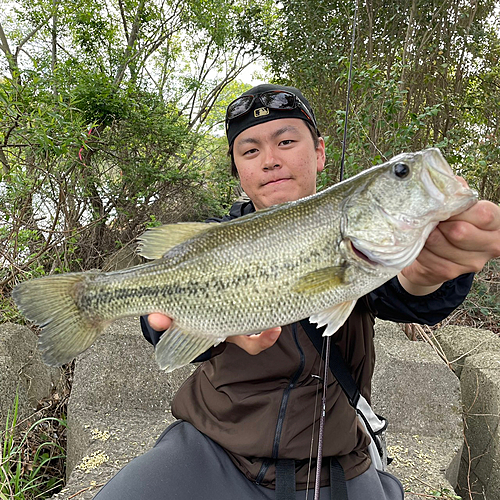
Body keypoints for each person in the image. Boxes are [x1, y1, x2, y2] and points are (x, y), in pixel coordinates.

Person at [94, 84, 500, 500]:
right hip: (213, 446)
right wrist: (156, 318)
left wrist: (431, 272)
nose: (270, 160)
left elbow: (408, 293)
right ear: (238, 172)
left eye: (286, 141)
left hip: (338, 463)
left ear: (320, 152)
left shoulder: (370, 253)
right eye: (250, 151)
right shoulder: (211, 238)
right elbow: (162, 319)